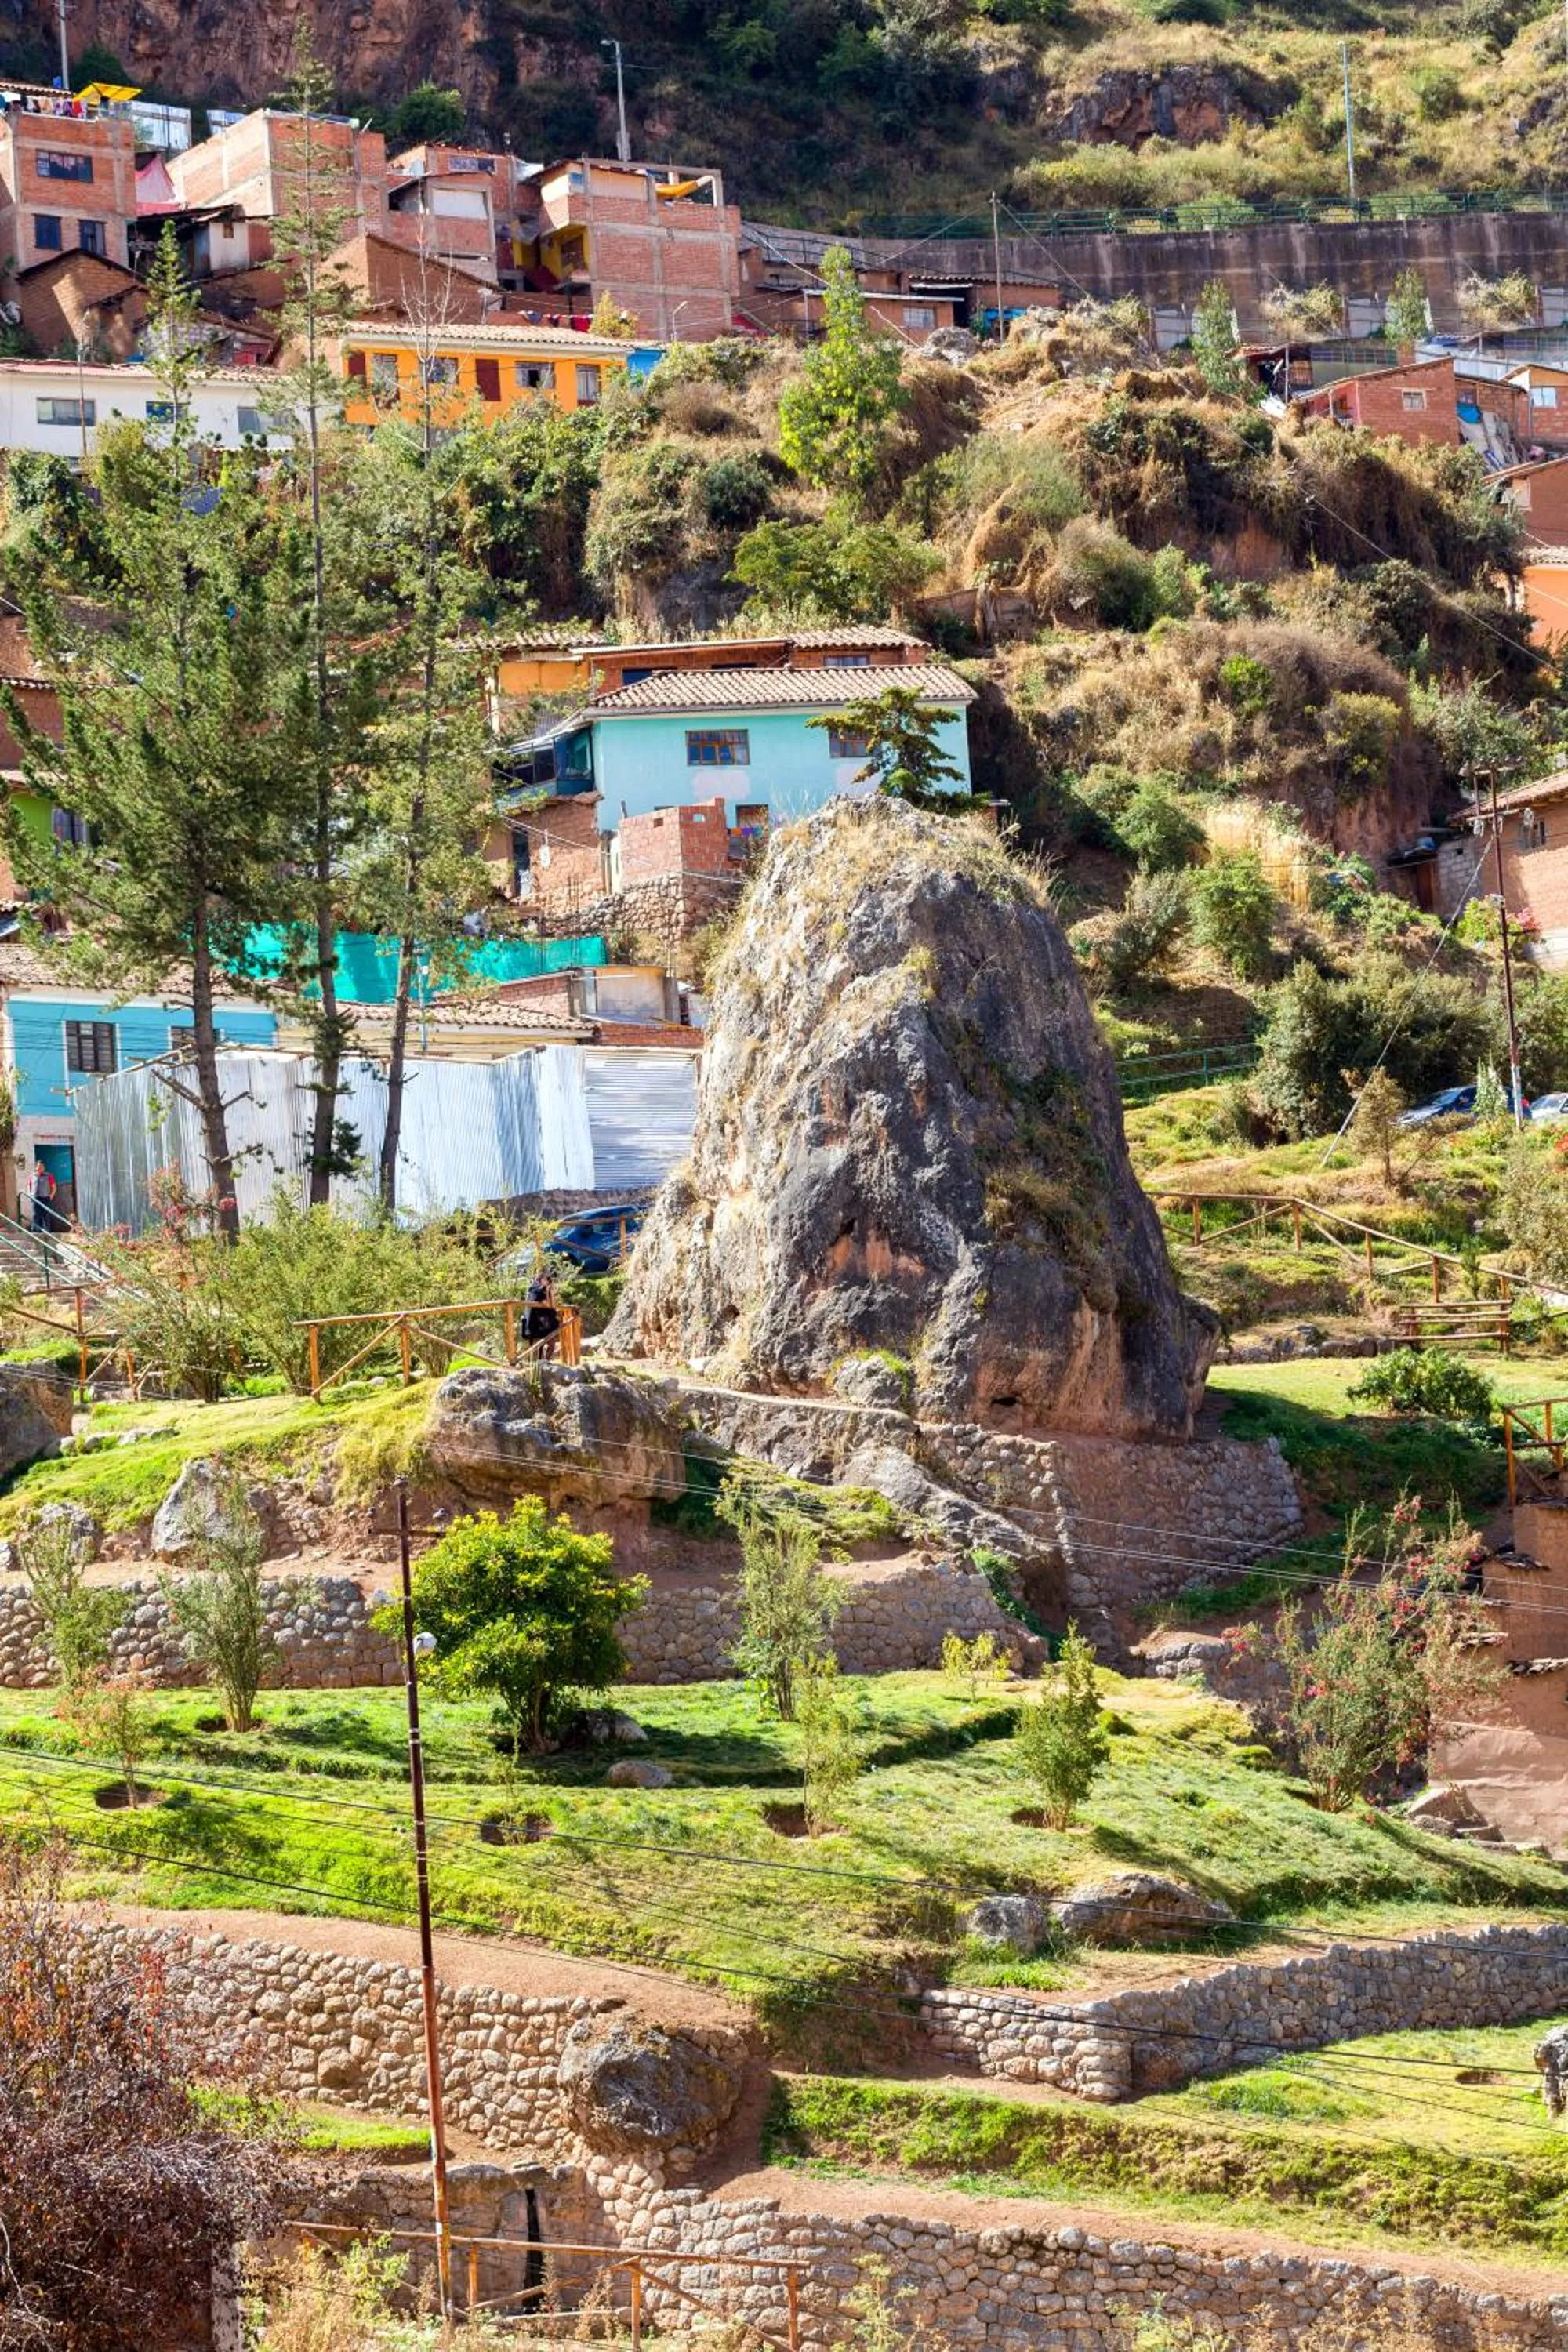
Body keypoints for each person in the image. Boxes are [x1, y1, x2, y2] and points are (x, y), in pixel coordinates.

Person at [524, 1268, 561, 1360]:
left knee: (548, 1343)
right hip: (536, 1322)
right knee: (540, 1345)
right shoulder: (535, 1290)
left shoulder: (540, 1290)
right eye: (546, 1280)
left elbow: (552, 1305)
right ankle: (541, 1364)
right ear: (540, 1280)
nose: (548, 1282)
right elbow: (548, 1305)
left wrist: (550, 1292)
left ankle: (544, 1363)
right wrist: (548, 1292)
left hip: (541, 1322)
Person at [27, 1160, 57, 1236]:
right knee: (35, 1215)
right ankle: (35, 1231)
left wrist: (51, 1196)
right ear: (36, 1167)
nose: (39, 1168)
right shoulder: (32, 1176)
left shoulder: (49, 1176)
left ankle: (46, 1232)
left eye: (41, 1167)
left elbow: (54, 1187)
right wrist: (30, 1194)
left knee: (46, 1215)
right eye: (38, 1167)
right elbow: (29, 1185)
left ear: (44, 1168)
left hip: (45, 1198)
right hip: (35, 1198)